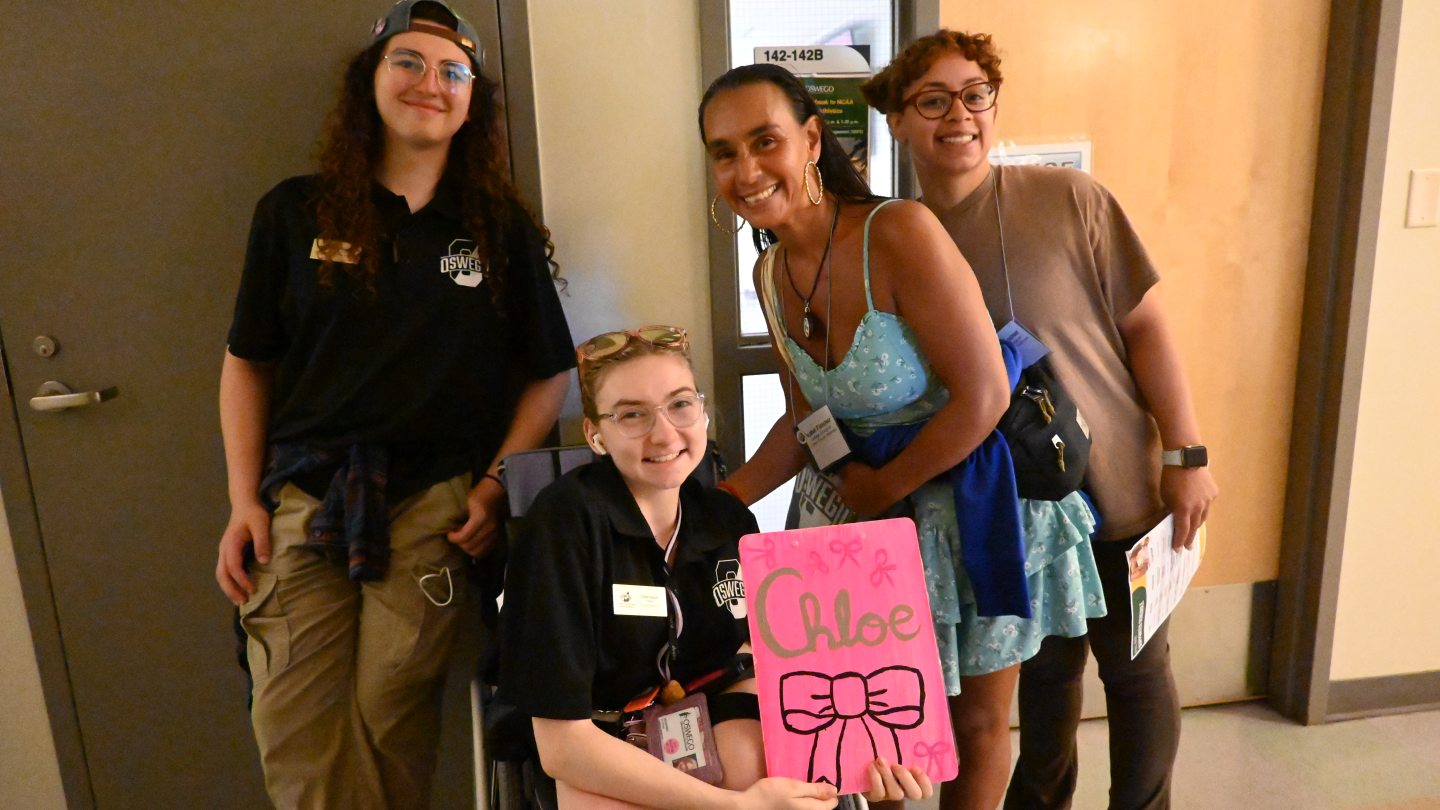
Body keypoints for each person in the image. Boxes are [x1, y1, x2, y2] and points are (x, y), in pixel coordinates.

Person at [699, 64, 1107, 810]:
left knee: (977, 722)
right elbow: (806, 424)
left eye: (766, 141)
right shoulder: (767, 271)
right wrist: (718, 504)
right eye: (725, 152)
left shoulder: (895, 231)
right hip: (864, 521)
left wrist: (882, 489)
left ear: (812, 139)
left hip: (971, 505)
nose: (747, 169)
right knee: (876, 731)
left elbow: (984, 392)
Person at [213, 2, 574, 806]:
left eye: (453, 72)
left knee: (392, 717)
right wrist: (243, 501)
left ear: (472, 101)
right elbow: (246, 363)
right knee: (292, 723)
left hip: (433, 508)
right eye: (407, 62)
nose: (430, 84)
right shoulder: (293, 212)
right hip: (304, 501)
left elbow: (552, 372)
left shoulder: (497, 229)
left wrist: (491, 484)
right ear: (368, 81)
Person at [863, 30, 1220, 810]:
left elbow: (1148, 326)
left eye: (973, 95)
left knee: (1135, 672)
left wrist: (1187, 452)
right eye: (930, 100)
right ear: (896, 120)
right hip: (1012, 510)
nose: (957, 115)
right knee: (1045, 678)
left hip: (1118, 485)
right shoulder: (894, 238)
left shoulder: (1068, 199)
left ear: (993, 105)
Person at [497, 326, 933, 809]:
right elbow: (563, 749)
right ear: (595, 434)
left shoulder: (726, 521)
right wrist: (738, 807)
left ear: (701, 410)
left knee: (774, 772)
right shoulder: (564, 524)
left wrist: (862, 755)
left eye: (680, 404)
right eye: (632, 415)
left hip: (697, 712)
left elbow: (773, 662)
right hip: (598, 735)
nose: (664, 433)